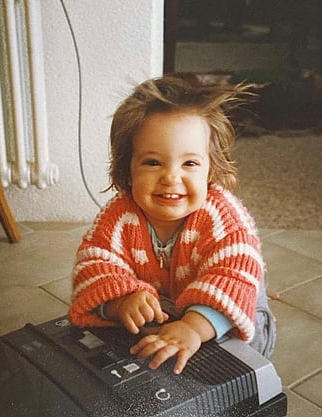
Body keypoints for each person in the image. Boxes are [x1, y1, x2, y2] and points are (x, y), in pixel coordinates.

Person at [68, 76, 275, 375]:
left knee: (235, 344)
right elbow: (95, 264)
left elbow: (233, 272)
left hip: (231, 303)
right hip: (166, 305)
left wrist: (193, 327)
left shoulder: (224, 219)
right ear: (127, 169)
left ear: (211, 169)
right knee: (129, 337)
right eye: (153, 162)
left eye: (189, 164)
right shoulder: (119, 216)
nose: (171, 177)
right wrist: (121, 299)